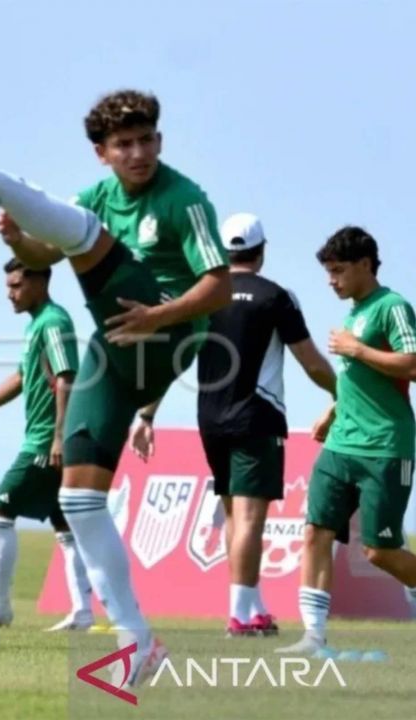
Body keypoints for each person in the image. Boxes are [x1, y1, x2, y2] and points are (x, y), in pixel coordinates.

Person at [0, 89, 230, 682]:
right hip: (113, 345)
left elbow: (219, 288)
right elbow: (52, 247)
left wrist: (159, 317)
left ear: (160, 141)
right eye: (124, 144)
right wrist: (19, 241)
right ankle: (138, 641)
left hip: (168, 334)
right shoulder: (94, 196)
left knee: (90, 237)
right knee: (77, 500)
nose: (139, 152)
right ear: (102, 154)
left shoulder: (184, 198)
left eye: (147, 140)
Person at [131, 213, 336, 637]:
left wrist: (146, 414)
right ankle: (240, 615)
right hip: (256, 417)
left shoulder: (202, 297)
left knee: (232, 515)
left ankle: (253, 607)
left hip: (210, 418)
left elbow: (175, 360)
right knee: (248, 519)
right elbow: (312, 363)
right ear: (260, 253)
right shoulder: (277, 296)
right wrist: (343, 395)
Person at [278, 226, 416, 654]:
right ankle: (313, 637)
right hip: (340, 445)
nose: (330, 280)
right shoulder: (354, 313)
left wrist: (357, 350)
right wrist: (333, 410)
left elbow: (412, 364)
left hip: (386, 448)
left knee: (381, 551)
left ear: (364, 265)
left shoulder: (392, 307)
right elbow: (360, 381)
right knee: (316, 532)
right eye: (327, 272)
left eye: (338, 271)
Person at [0, 258, 95, 632]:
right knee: (64, 525)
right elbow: (21, 375)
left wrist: (59, 436)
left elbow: (66, 379)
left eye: (16, 285)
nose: (9, 293)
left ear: (39, 281)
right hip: (46, 439)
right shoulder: (38, 325)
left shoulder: (54, 322)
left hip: (45, 441)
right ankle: (82, 611)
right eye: (8, 285)